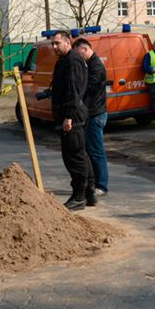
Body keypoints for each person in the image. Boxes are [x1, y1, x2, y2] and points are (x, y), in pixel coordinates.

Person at [49, 31, 96, 211]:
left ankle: (79, 196)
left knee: (74, 157)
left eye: (57, 43)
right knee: (80, 155)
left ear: (68, 43)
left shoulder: (73, 61)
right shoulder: (64, 60)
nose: (54, 47)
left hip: (72, 116)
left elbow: (74, 91)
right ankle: (89, 193)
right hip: (69, 114)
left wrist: (68, 116)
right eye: (52, 44)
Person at [73, 38, 109, 197]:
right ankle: (93, 183)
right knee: (90, 150)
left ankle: (101, 185)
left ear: (84, 49)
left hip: (96, 114)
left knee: (96, 151)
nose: (78, 57)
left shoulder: (96, 66)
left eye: (78, 53)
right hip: (91, 114)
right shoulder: (90, 64)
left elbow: (88, 88)